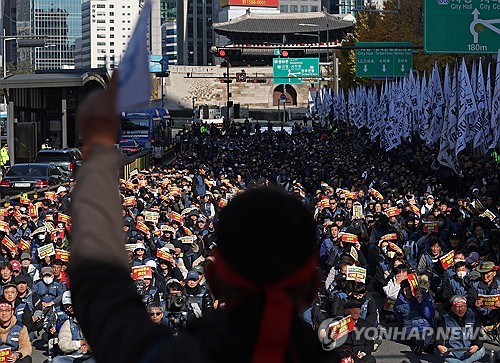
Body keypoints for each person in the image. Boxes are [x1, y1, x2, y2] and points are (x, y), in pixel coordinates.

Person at [435, 295, 485, 363]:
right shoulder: (445, 318)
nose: (461, 309)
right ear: (452, 308)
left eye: (463, 306)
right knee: (437, 351)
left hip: (469, 351)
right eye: (458, 307)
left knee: (482, 350)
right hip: (452, 351)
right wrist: (439, 346)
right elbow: (440, 335)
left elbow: (479, 334)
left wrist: (476, 346)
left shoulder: (473, 316)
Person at [53, 291, 96, 363]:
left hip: (91, 356)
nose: (68, 309)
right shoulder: (68, 323)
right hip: (74, 357)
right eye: (67, 307)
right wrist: (79, 343)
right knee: (57, 360)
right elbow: (63, 344)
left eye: (70, 306)